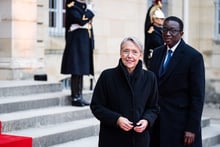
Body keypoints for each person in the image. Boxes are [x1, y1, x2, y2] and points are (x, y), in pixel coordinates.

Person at [90, 36, 159, 147]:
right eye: (126, 51)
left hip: (139, 140)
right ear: (120, 53)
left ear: (140, 55)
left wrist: (147, 120)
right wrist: (117, 119)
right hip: (112, 139)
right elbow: (96, 106)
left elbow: (154, 107)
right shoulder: (107, 76)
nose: (129, 56)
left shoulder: (150, 78)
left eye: (134, 52)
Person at [148, 16, 205, 147]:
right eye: (165, 30)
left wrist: (192, 128)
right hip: (157, 122)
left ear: (181, 33)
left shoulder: (193, 57)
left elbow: (197, 96)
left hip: (180, 124)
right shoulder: (157, 53)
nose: (168, 34)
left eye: (173, 30)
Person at [61, 0, 95, 106]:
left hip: (84, 42)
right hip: (76, 42)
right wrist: (90, 10)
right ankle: (75, 97)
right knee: (76, 70)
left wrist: (92, 43)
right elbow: (81, 20)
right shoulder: (72, 6)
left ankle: (80, 95)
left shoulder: (83, 6)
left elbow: (89, 27)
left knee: (81, 71)